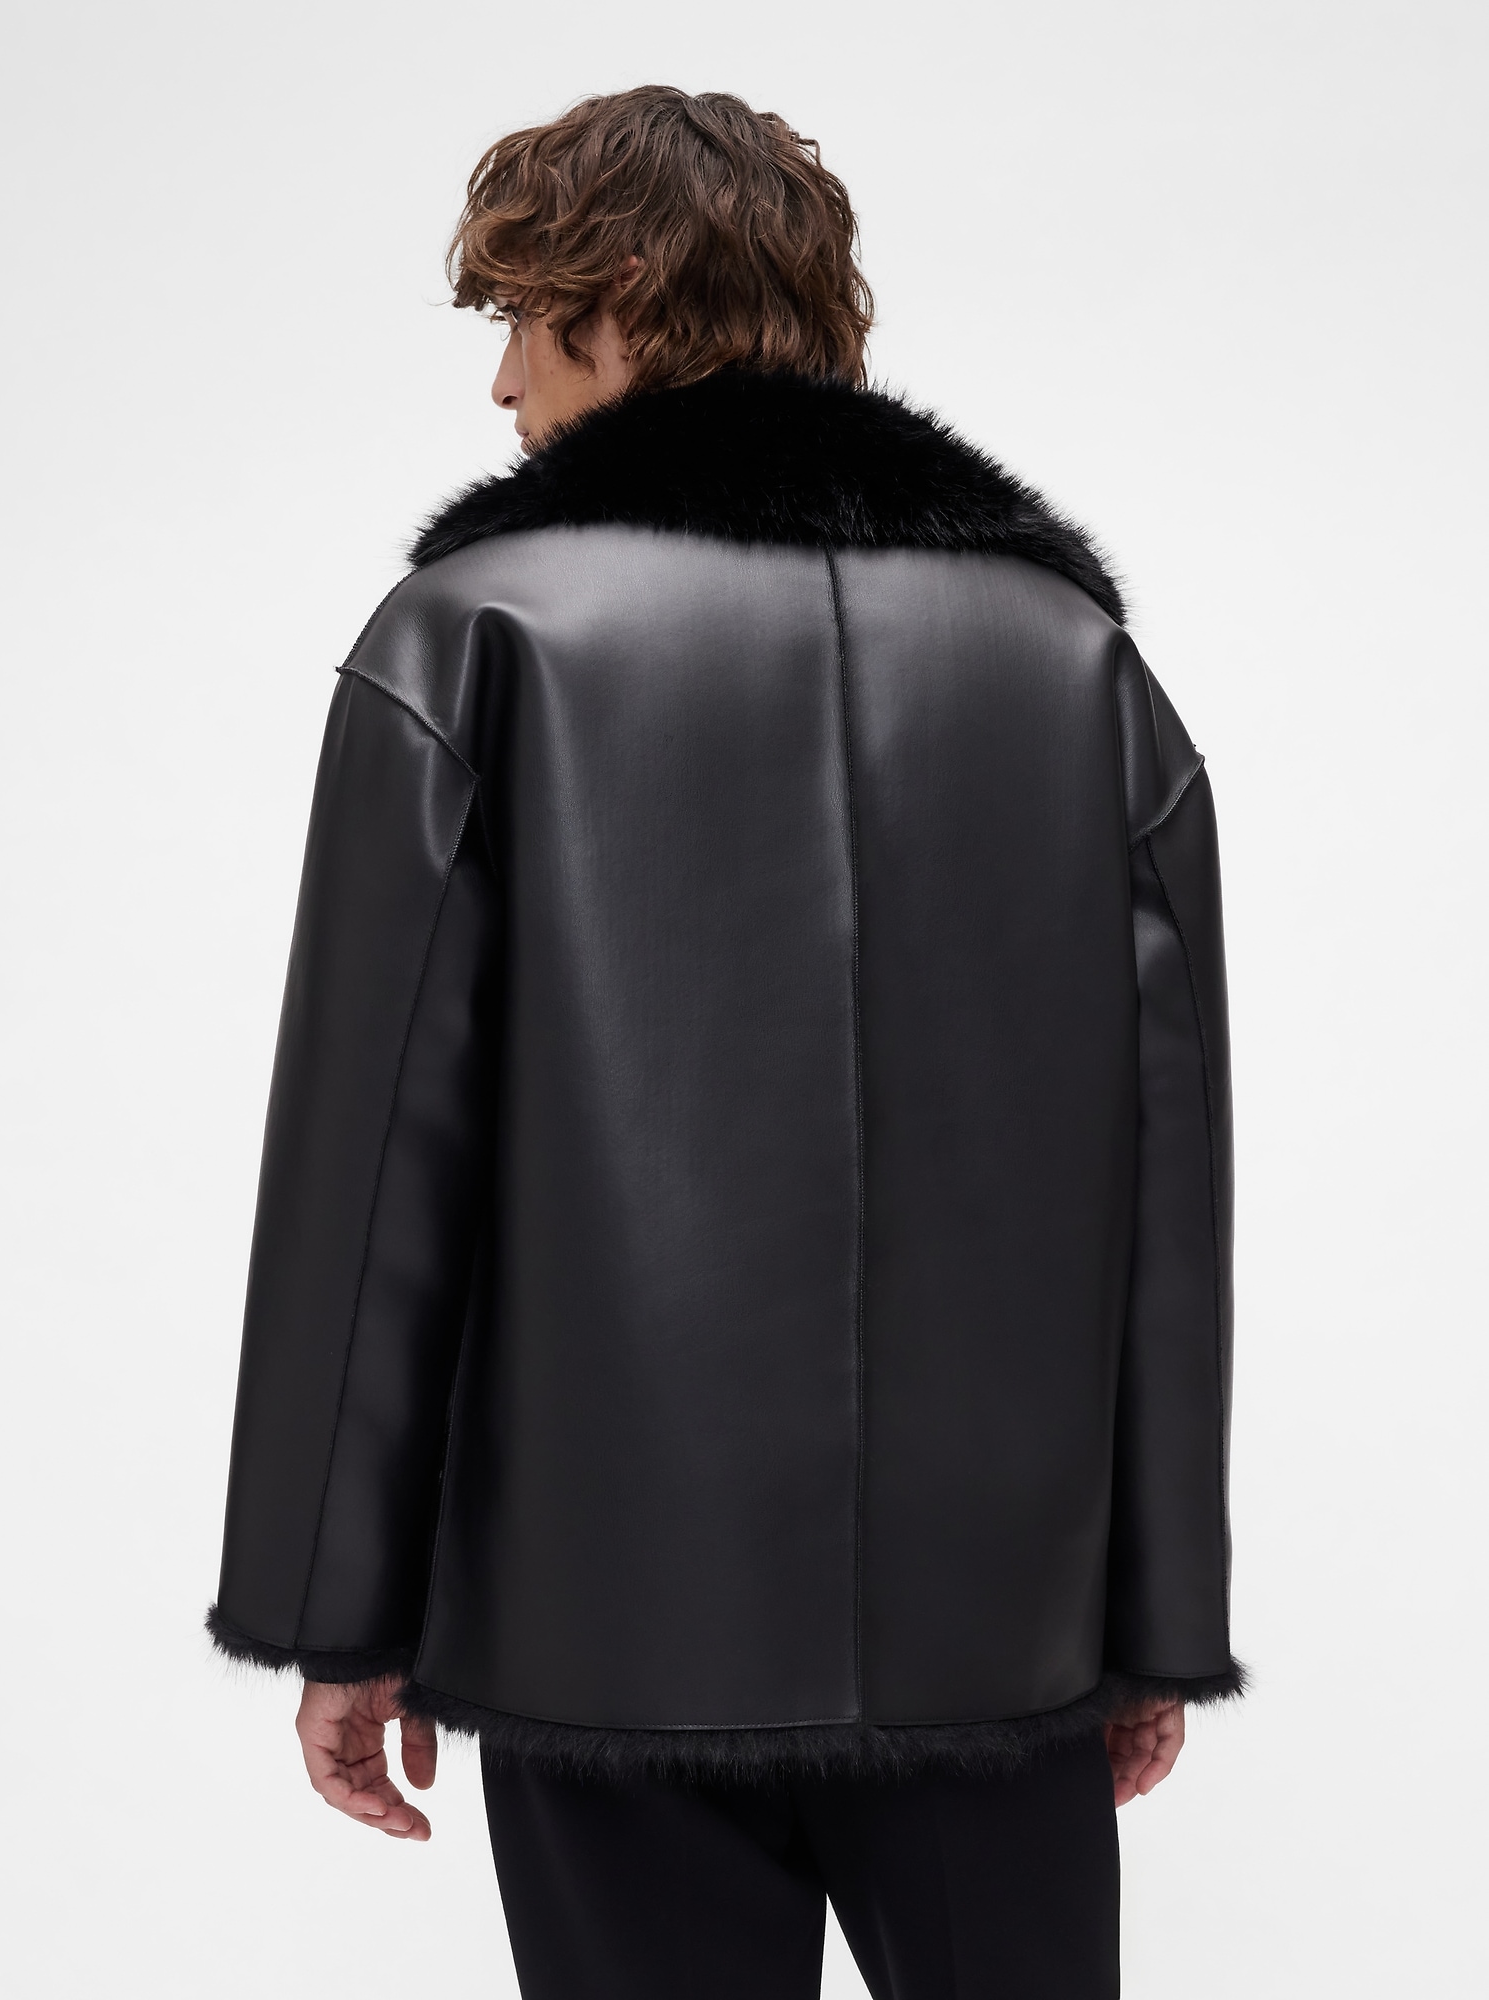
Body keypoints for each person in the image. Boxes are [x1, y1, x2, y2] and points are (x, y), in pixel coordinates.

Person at [208, 85, 1241, 1999]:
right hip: (991, 1637)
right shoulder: (1073, 662)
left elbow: (376, 1166)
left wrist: (334, 1611)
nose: (503, 385)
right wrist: (1153, 1617)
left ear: (622, 298)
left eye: (526, 323)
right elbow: (1168, 1181)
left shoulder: (470, 637)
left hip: (600, 1630)